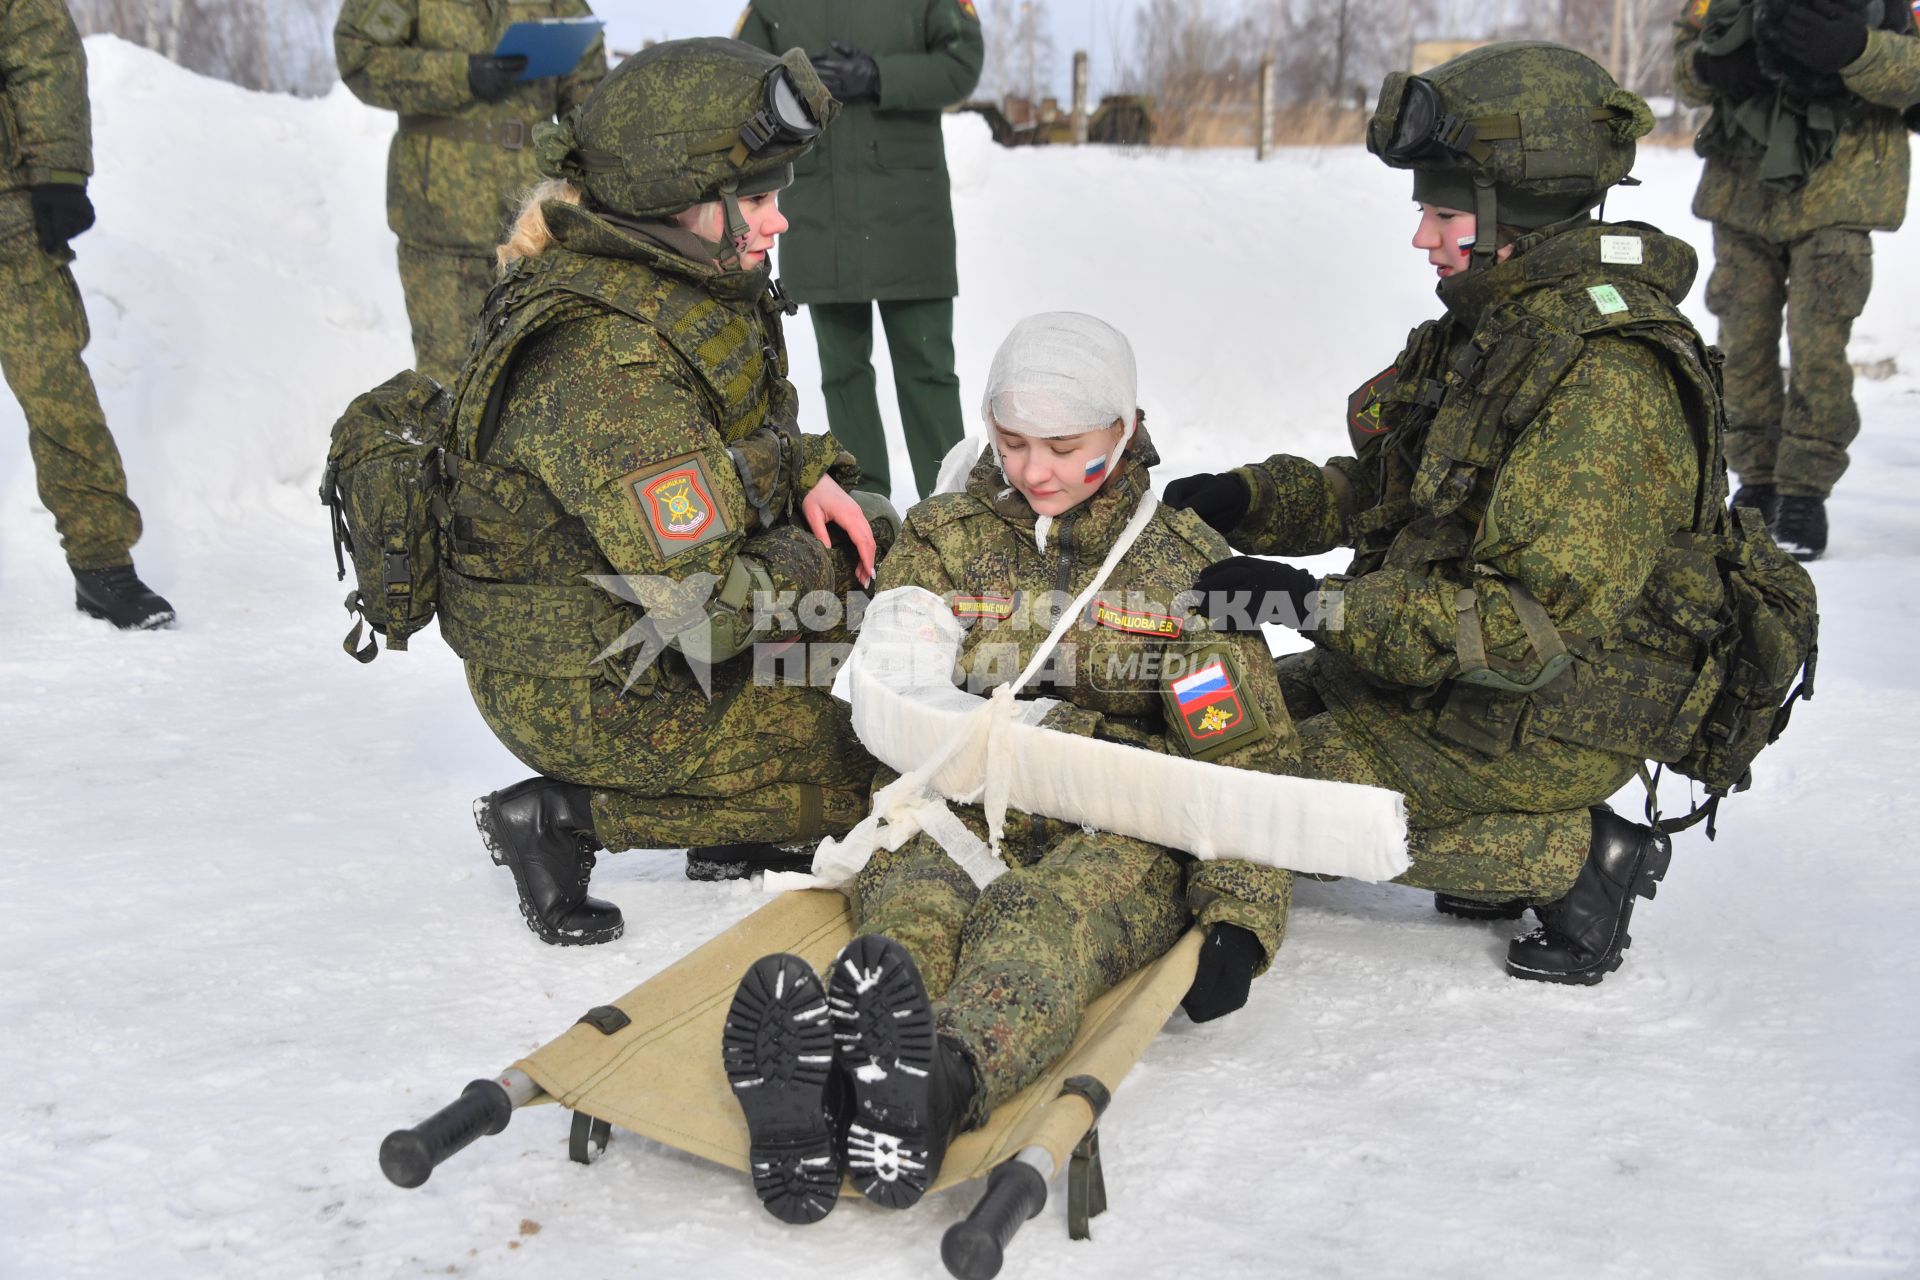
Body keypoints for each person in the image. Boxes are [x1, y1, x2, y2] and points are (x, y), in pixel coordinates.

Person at [1164, 43, 1724, 987]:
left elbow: (1523, 628)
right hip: (1426, 669)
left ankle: (1578, 856)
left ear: (1520, 214)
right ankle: (1509, 840)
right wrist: (1249, 501)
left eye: (1444, 213)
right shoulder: (1497, 328)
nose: (1423, 238)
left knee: (1231, 797)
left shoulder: (1610, 378)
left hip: (1534, 715)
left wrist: (1311, 607)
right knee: (1187, 715)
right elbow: (1391, 494)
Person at [722, 312, 1301, 1224]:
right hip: (965, 796)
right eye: (1014, 442)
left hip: (1123, 821)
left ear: (1124, 428)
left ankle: (937, 1089)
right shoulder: (947, 536)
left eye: (1066, 447)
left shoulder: (1182, 567)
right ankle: (827, 1082)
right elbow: (900, 678)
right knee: (908, 907)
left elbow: (1243, 756)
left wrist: (1241, 912)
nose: (1035, 472)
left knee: (1040, 924)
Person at [440, 39, 896, 945]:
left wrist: (803, 473)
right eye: (759, 200)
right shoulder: (608, 361)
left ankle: (738, 828)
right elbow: (711, 616)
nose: (779, 223)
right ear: (681, 205)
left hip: (635, 626)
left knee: (891, 645)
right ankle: (562, 815)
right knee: (889, 753)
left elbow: (736, 437)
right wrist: (830, 555)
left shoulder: (682, 283)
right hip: (589, 684)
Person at [1673, 0, 1920, 560]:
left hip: (1844, 185)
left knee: (1819, 342)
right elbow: (1681, 62)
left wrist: (1859, 49)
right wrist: (1712, 69)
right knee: (1741, 342)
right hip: (1743, 188)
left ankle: (1805, 493)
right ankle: (1756, 480)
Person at [735, 0, 984, 500]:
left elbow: (962, 65)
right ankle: (869, 513)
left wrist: (879, 76)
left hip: (908, 209)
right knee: (843, 373)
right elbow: (741, 79)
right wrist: (793, 91)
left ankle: (954, 507)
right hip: (821, 208)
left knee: (928, 368)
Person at [2, 0, 173, 629]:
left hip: (6, 212)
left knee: (57, 389)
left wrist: (57, 172)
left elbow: (38, 46)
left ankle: (104, 567)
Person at [334, 0, 606, 385]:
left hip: (534, 229)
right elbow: (358, 57)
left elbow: (589, 93)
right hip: (440, 220)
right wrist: (461, 75)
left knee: (533, 378)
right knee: (449, 379)